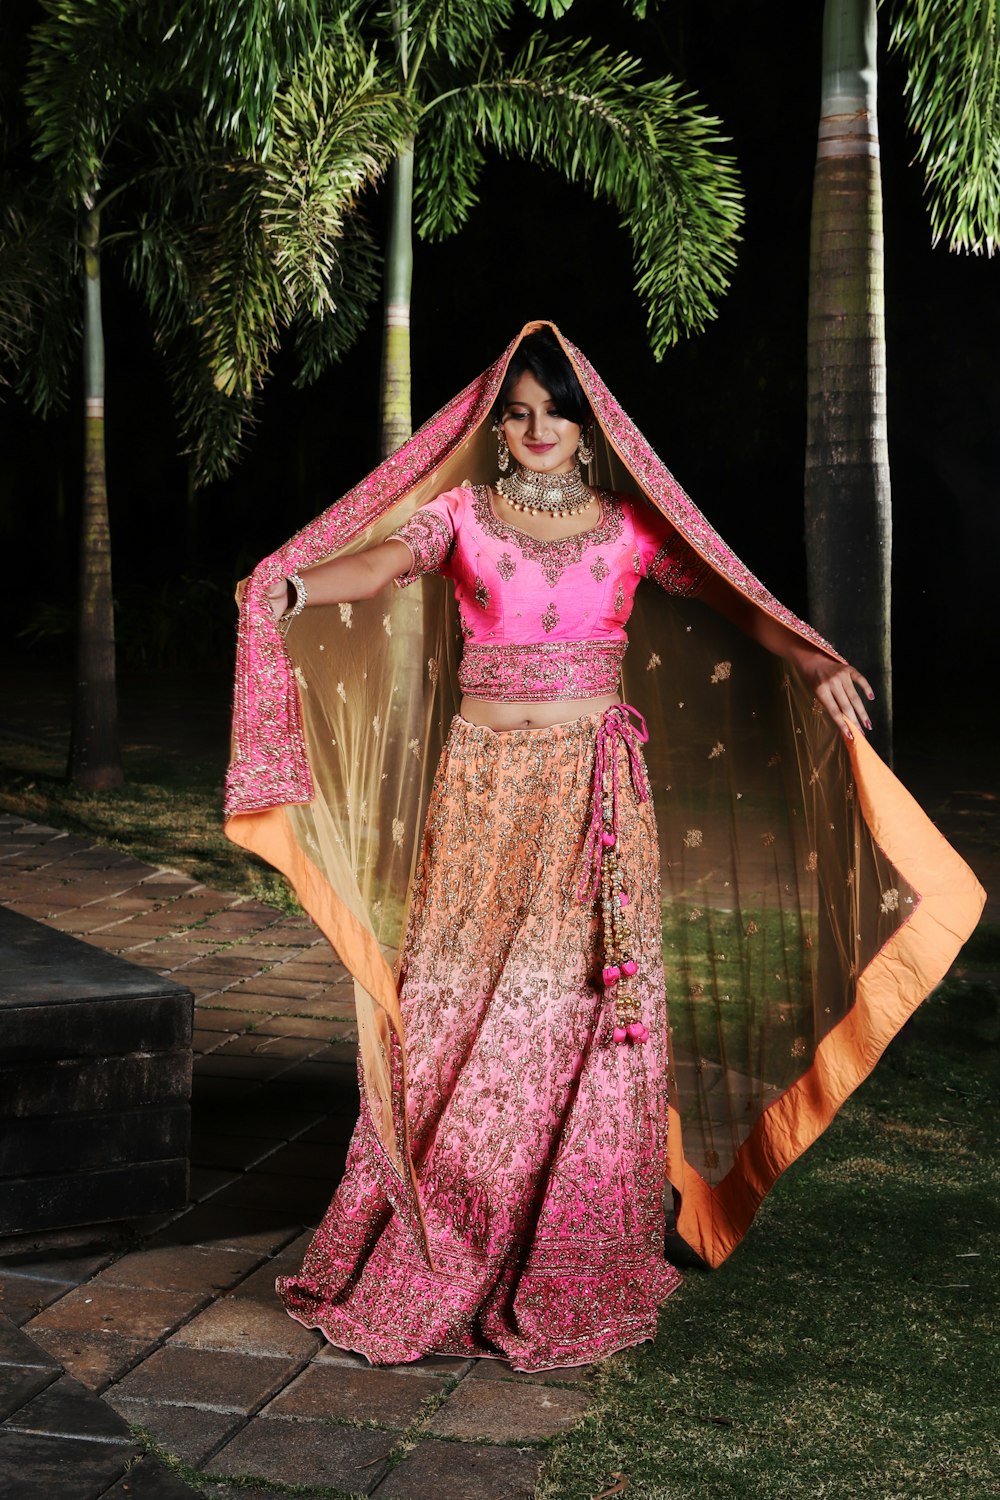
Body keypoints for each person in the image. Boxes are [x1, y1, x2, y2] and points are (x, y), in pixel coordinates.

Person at [225, 322, 983, 1373]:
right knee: (463, 1000)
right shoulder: (461, 516)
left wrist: (809, 656)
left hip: (595, 795)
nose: (536, 430)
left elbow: (727, 593)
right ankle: (451, 1221)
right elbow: (384, 563)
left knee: (584, 1003)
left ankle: (568, 1244)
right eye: (519, 414)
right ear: (500, 427)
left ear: (588, 428)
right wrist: (297, 587)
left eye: (556, 413)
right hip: (487, 793)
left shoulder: (628, 529)